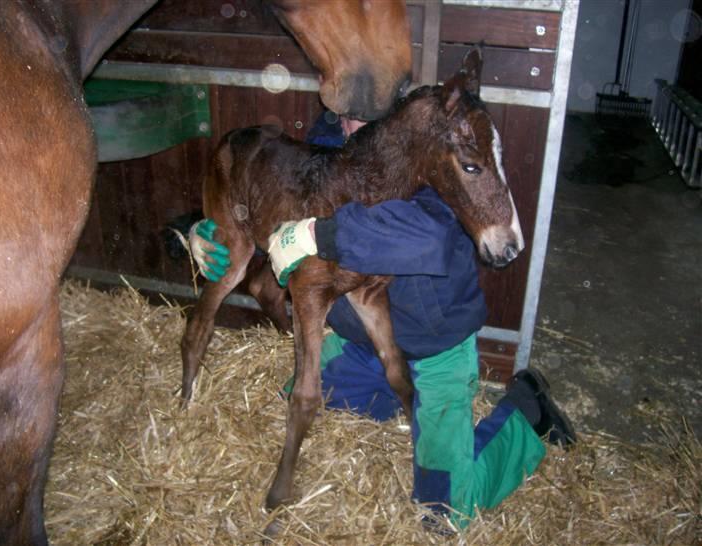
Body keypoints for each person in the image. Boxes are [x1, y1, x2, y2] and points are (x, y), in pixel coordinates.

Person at [190, 111, 575, 530]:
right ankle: (399, 398)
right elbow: (269, 200)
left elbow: (429, 235)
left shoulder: (428, 150)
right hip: (366, 345)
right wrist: (205, 229)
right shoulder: (328, 141)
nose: (351, 118)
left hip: (435, 353)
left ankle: (527, 410)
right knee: (296, 396)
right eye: (343, 102)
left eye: (365, 100)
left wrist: (320, 234)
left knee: (444, 515)